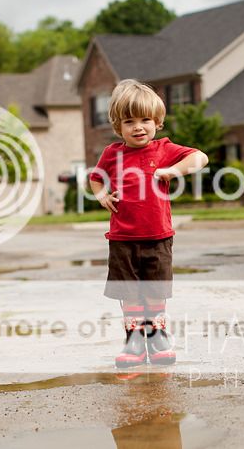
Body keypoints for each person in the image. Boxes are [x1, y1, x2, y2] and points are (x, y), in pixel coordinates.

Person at [89, 79, 208, 368]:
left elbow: (200, 157)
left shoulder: (163, 149)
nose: (138, 127)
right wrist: (102, 195)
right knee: (129, 292)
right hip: (122, 239)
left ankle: (157, 338)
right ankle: (134, 342)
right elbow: (95, 178)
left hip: (158, 237)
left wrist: (172, 171)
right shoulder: (112, 154)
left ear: (157, 121)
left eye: (145, 120)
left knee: (155, 290)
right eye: (129, 121)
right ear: (118, 126)